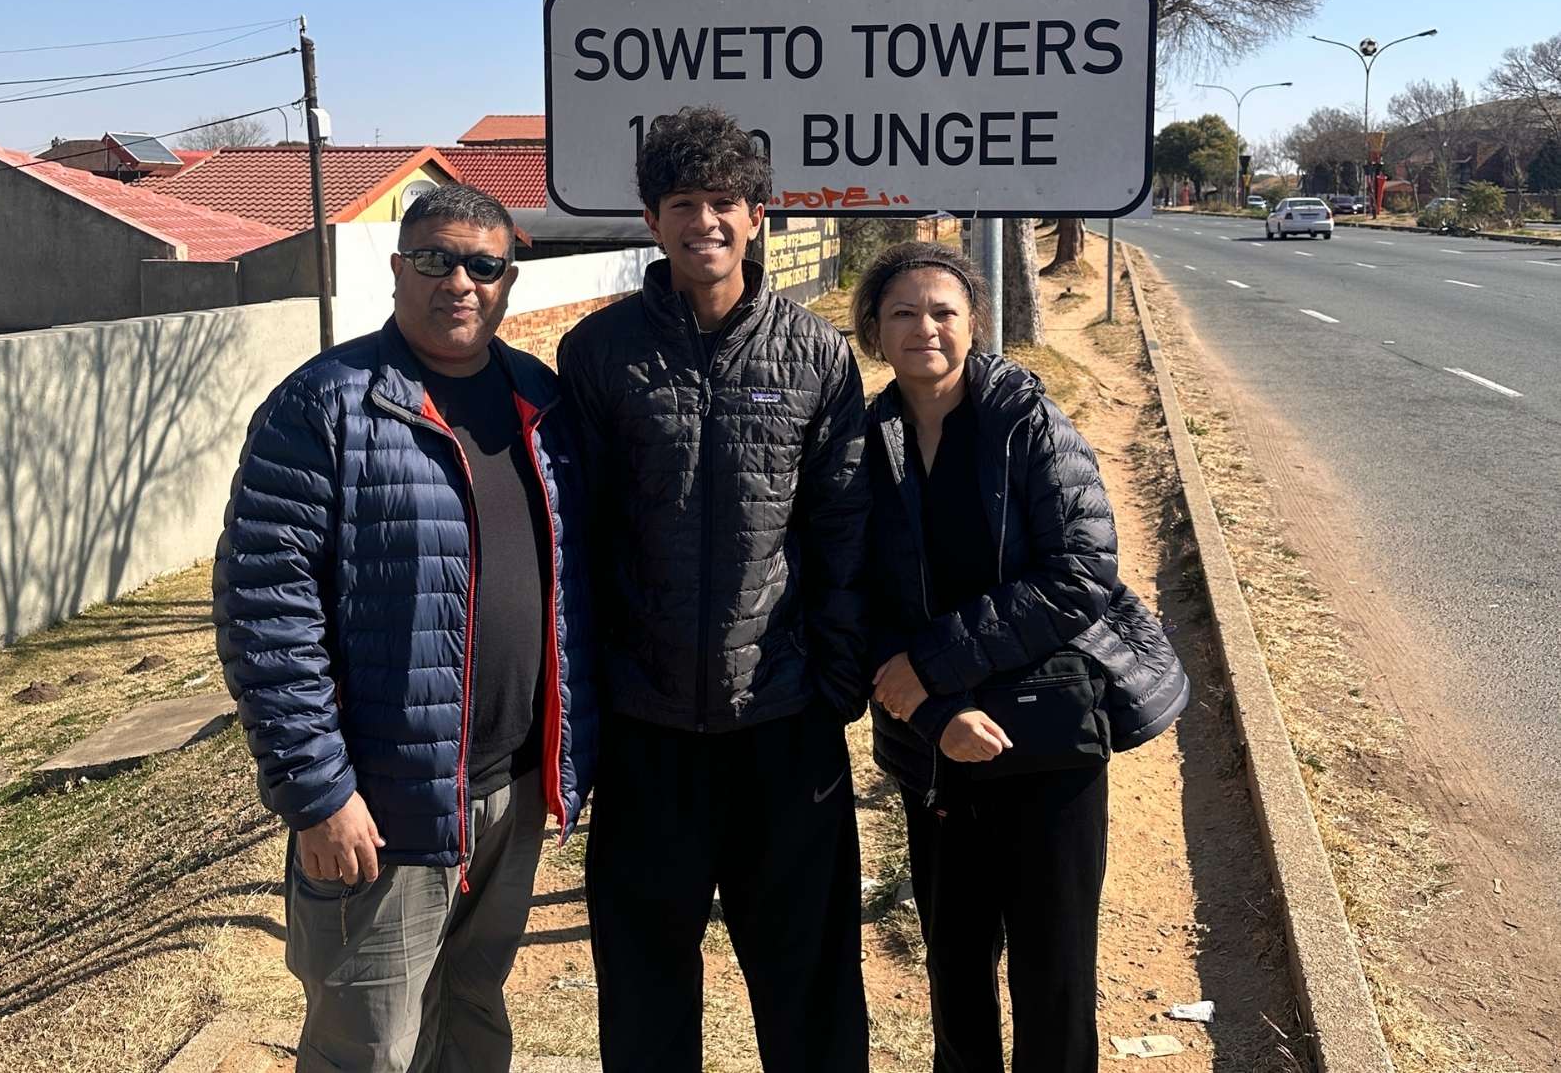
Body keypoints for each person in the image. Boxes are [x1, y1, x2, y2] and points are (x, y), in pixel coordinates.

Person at [213, 184, 596, 1073]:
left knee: (472, 1015)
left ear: (508, 280)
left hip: (510, 791)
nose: (459, 281)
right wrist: (317, 792)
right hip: (383, 807)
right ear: (396, 270)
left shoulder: (543, 405)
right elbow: (266, 614)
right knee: (370, 1046)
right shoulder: (325, 406)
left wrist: (569, 760)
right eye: (435, 259)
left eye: (483, 264)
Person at [556, 106, 870, 1072]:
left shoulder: (816, 357)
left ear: (758, 215)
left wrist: (835, 686)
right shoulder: (599, 354)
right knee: (645, 992)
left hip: (783, 725)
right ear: (653, 221)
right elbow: (580, 539)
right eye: (682, 204)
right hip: (649, 731)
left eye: (724, 203)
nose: (705, 223)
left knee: (810, 987)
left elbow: (844, 535)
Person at [856, 241, 1186, 1073]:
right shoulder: (862, 443)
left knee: (1054, 969)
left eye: (943, 311)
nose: (923, 327)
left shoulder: (1028, 422)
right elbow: (849, 598)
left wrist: (935, 665)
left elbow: (1082, 574)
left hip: (1045, 741)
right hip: (933, 749)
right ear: (873, 329)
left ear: (975, 323)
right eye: (902, 312)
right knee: (955, 967)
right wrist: (935, 710)